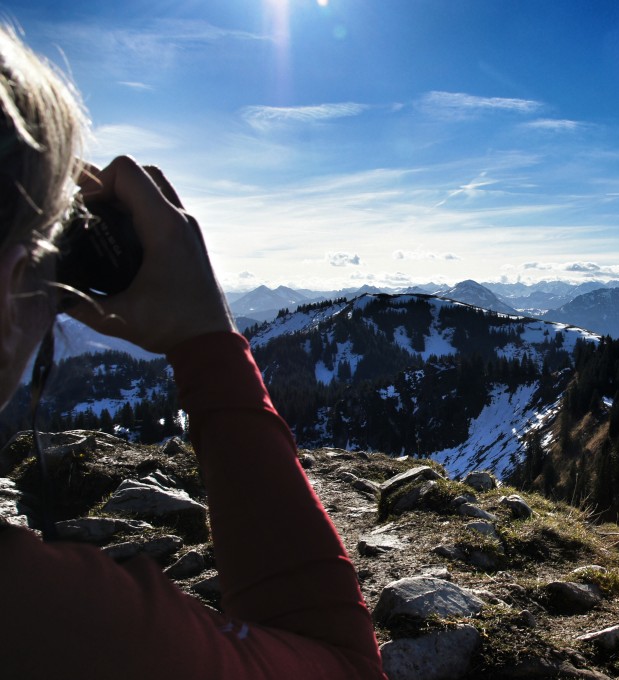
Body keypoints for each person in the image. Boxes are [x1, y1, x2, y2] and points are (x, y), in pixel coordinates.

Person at [0, 26, 386, 679]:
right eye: (56, 251)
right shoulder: (50, 618)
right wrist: (205, 339)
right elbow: (342, 663)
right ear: (11, 285)